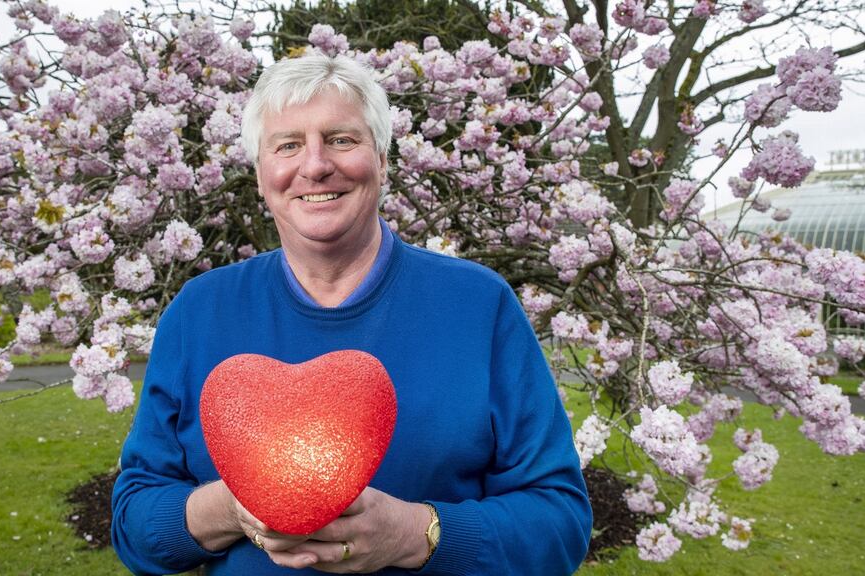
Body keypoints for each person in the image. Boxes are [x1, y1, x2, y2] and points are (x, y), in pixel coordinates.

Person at [111, 53, 592, 575]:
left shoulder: (479, 305)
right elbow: (134, 525)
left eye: (341, 139)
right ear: (260, 175)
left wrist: (418, 535)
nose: (315, 165)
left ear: (382, 160)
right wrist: (233, 506)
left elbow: (561, 521)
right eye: (288, 145)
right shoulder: (199, 312)